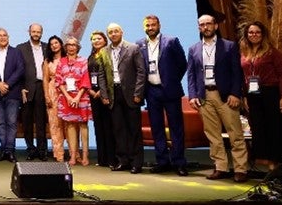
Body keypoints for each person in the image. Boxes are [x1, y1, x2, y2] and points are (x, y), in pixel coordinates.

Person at [187, 14, 248, 182]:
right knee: (213, 134)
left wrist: (236, 93)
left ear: (215, 26)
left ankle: (240, 169)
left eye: (208, 24)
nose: (205, 27)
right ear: (199, 28)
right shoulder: (193, 49)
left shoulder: (229, 46)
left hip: (226, 95)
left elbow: (237, 73)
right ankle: (220, 167)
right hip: (204, 96)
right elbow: (191, 75)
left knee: (235, 133)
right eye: (202, 25)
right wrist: (192, 96)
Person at [240, 21, 282, 172]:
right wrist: (245, 96)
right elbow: (243, 76)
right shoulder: (243, 53)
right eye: (251, 32)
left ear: (263, 35)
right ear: (246, 35)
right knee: (259, 129)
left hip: (271, 94)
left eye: (257, 32)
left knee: (274, 129)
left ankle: (276, 165)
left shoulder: (272, 52)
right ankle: (267, 164)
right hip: (253, 96)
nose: (254, 35)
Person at [138, 15, 190, 176]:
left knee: (176, 127)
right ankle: (162, 161)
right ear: (144, 27)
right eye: (148, 25)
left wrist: (171, 80)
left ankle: (179, 162)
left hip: (170, 90)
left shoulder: (171, 41)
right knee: (157, 128)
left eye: (153, 25)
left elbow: (182, 64)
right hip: (151, 91)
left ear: (159, 25)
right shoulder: (139, 44)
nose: (151, 28)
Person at [106, 23, 147, 173]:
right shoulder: (105, 51)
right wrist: (105, 95)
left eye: (116, 31)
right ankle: (123, 161)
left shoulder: (133, 48)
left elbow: (141, 72)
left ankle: (136, 163)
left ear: (121, 32)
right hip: (113, 94)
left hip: (131, 94)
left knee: (133, 129)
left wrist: (138, 93)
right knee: (118, 129)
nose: (113, 34)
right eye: (110, 32)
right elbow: (103, 75)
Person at [0, 27, 23, 161]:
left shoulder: (16, 52)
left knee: (12, 123)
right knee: (0, 123)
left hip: (12, 93)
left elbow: (20, 70)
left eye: (5, 35)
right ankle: (3, 149)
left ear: (8, 37)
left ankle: (10, 150)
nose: (2, 37)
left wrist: (7, 84)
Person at [54, 37, 92, 166]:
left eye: (73, 45)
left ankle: (85, 155)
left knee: (83, 125)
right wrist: (69, 97)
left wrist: (77, 97)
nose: (71, 47)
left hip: (81, 97)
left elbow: (86, 81)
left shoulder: (83, 61)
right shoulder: (61, 62)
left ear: (78, 47)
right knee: (70, 125)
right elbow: (59, 82)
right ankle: (73, 156)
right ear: (65, 47)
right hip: (66, 98)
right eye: (69, 45)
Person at [18, 23, 48, 159]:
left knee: (41, 121)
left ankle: (42, 151)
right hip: (27, 89)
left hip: (43, 88)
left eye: (38, 32)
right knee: (27, 121)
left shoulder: (47, 48)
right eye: (33, 31)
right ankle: (30, 149)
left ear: (41, 33)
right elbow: (16, 70)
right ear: (29, 32)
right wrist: (21, 88)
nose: (36, 34)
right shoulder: (20, 48)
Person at [85, 31, 113, 168]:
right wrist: (91, 91)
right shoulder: (90, 57)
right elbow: (87, 77)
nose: (96, 41)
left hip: (106, 95)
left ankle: (111, 158)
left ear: (105, 40)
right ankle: (102, 159)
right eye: (93, 39)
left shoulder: (109, 54)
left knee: (109, 127)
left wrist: (102, 92)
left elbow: (110, 76)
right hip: (93, 95)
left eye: (99, 38)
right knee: (98, 127)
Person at [42, 35, 66, 161]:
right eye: (51, 44)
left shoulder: (68, 59)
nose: (54, 45)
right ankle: (58, 153)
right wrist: (46, 96)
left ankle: (74, 154)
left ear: (61, 44)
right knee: (55, 124)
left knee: (69, 124)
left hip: (68, 92)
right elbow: (45, 80)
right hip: (52, 92)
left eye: (56, 43)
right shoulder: (47, 61)